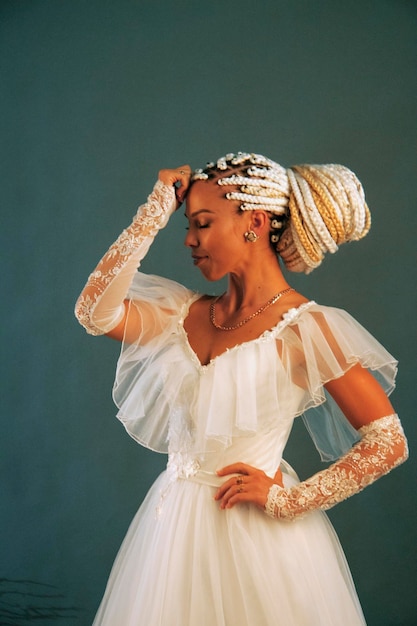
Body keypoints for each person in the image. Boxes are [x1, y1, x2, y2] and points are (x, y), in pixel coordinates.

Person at [75, 152, 408, 626]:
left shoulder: (305, 328)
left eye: (203, 223)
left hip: (258, 538)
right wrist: (152, 212)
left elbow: (388, 442)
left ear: (253, 221)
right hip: (171, 532)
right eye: (186, 225)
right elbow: (94, 312)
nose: (189, 239)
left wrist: (291, 499)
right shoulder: (183, 312)